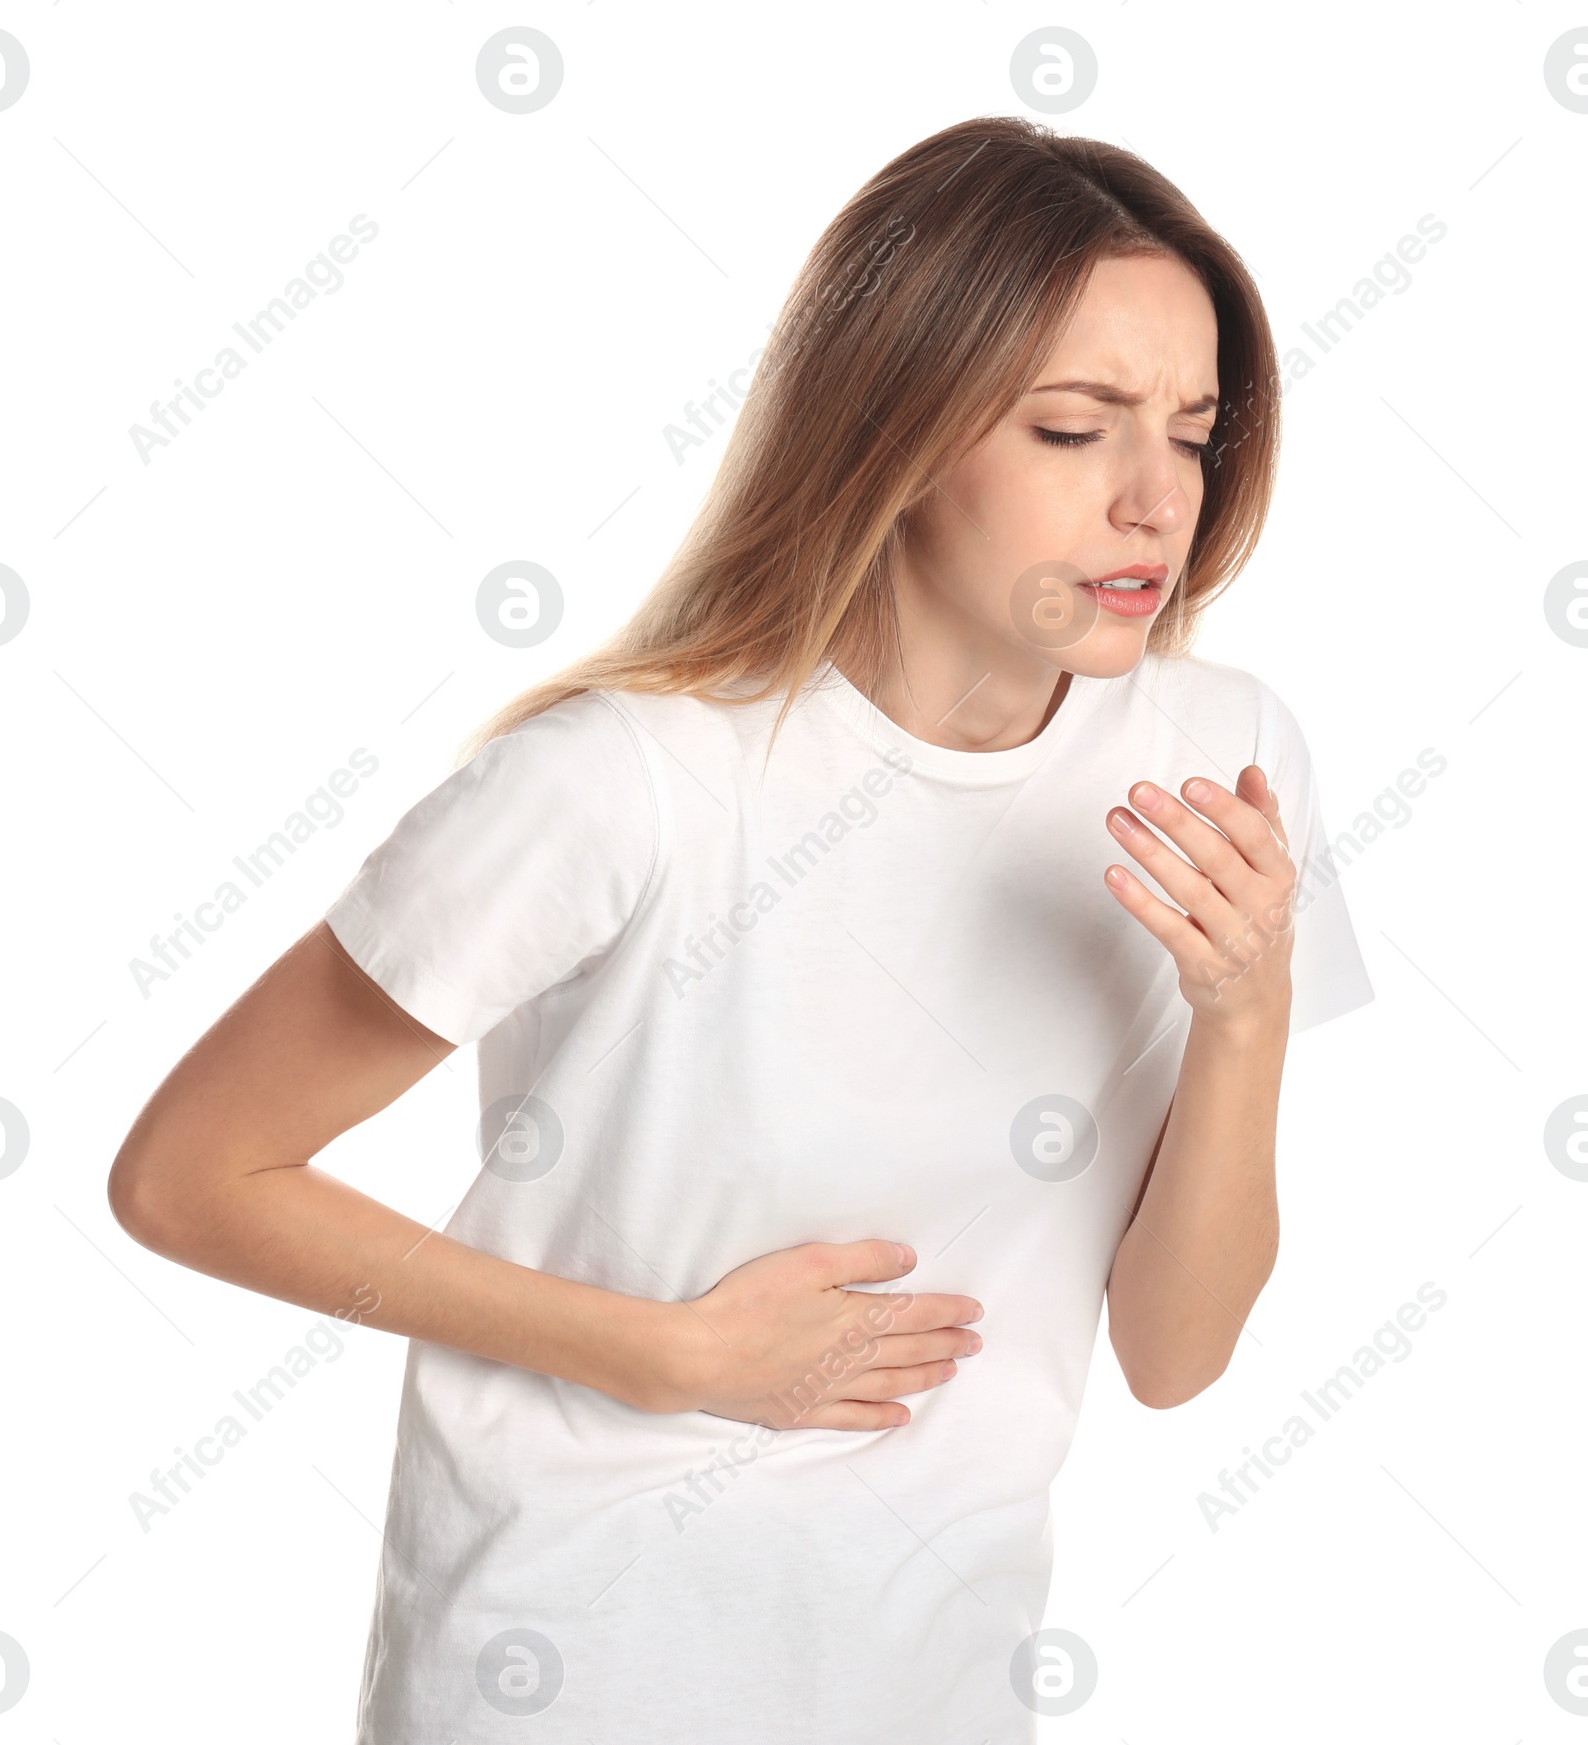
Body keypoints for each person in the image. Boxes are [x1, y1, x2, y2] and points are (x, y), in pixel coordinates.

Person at [108, 115, 1373, 1743]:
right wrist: (669, 1356)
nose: (1154, 498)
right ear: (901, 433)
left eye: (1193, 434)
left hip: (935, 1686)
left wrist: (1245, 1014)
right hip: (559, 1672)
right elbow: (190, 1175)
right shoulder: (629, 779)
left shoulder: (1220, 758)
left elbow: (1178, 1353)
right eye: (1074, 428)